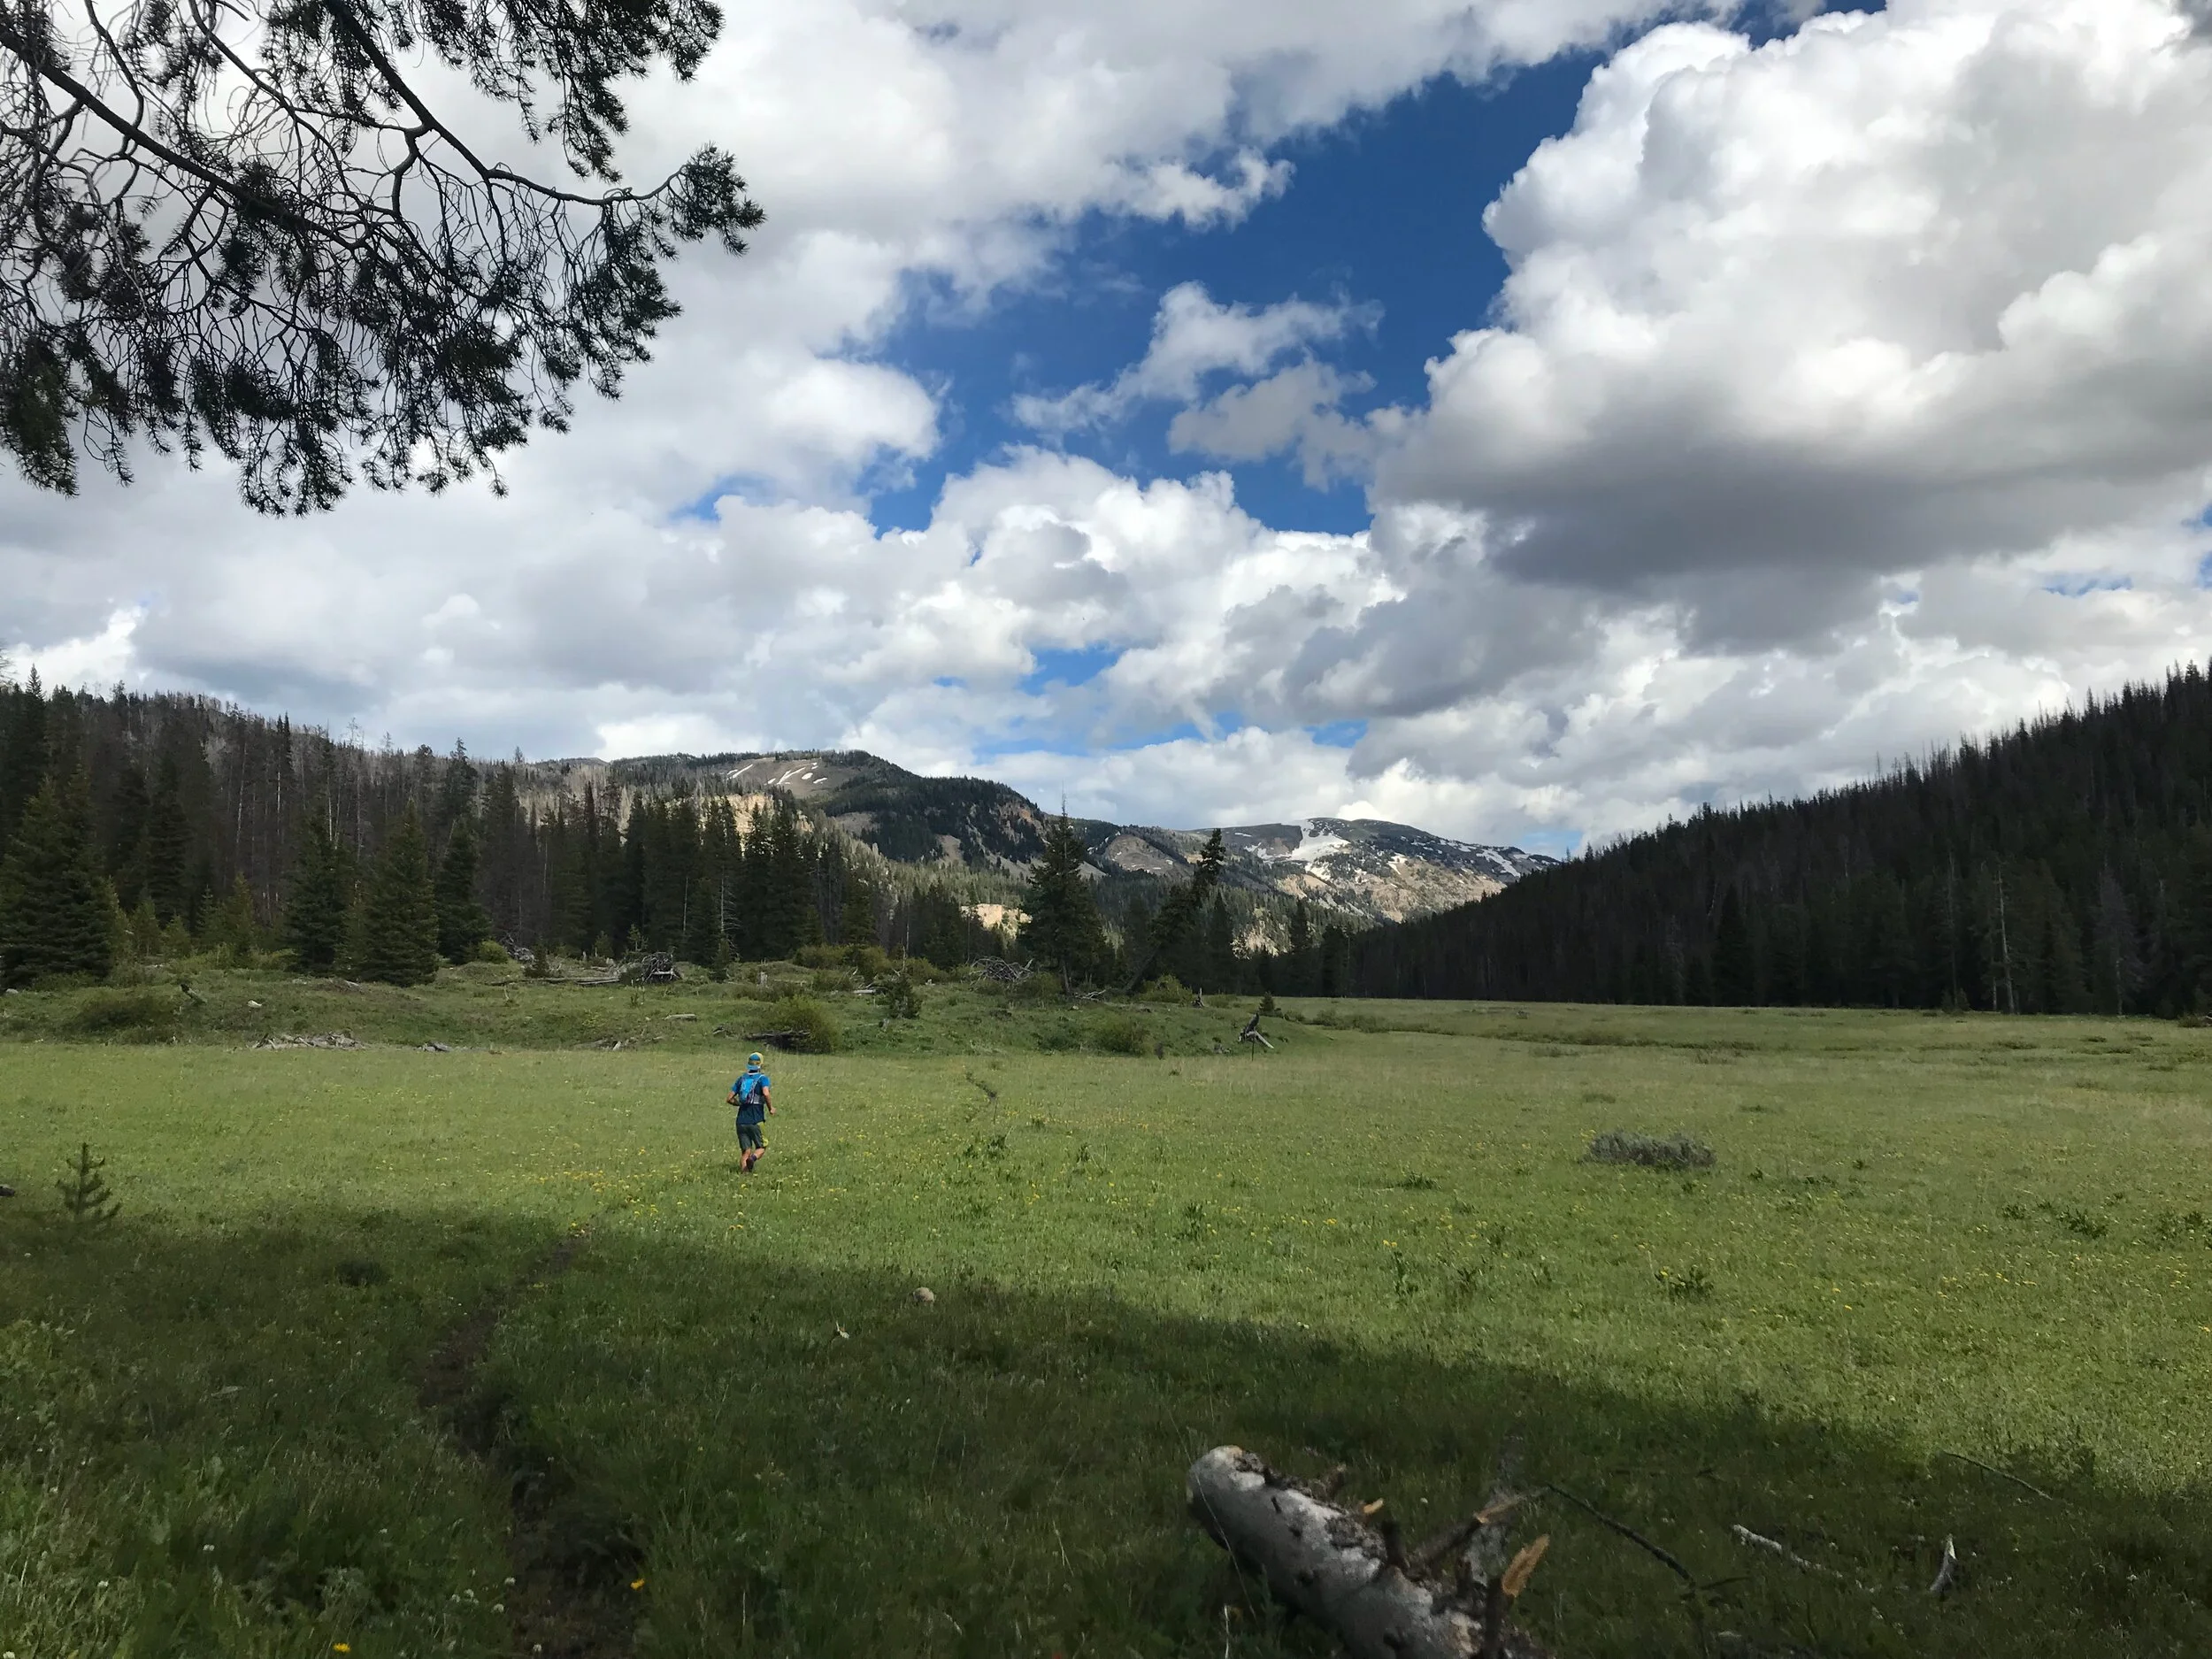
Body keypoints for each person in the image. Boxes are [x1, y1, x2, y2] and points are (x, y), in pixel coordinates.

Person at [729, 1052, 774, 1172]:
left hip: (741, 1121)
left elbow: (729, 1098)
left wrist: (739, 1104)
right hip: (756, 1120)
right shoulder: (763, 1079)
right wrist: (771, 1108)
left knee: (745, 1151)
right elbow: (766, 1093)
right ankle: (753, 1159)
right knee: (761, 1146)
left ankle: (744, 1175)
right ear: (761, 1064)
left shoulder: (741, 1079)